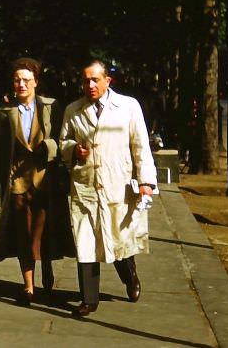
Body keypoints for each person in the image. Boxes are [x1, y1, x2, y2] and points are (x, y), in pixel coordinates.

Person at [59, 59, 157, 317]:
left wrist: (146, 182)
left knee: (117, 240)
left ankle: (130, 276)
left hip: (118, 185)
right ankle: (88, 299)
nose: (90, 85)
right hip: (85, 186)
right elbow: (63, 142)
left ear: (107, 81)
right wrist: (73, 150)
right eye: (85, 80)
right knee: (86, 242)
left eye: (95, 80)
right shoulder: (73, 110)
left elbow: (140, 146)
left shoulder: (128, 107)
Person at [0, 58, 74, 306]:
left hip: (46, 180)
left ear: (35, 82)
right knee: (23, 234)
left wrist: (50, 147)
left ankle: (47, 271)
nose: (21, 84)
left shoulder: (51, 107)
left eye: (26, 80)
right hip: (17, 183)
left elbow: (62, 138)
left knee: (44, 234)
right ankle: (28, 287)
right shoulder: (4, 115)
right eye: (17, 80)